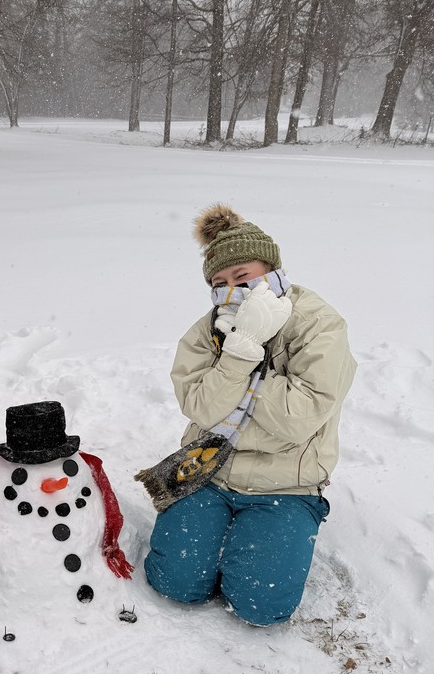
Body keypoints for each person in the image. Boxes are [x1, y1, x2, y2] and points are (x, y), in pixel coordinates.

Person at [140, 204, 356, 626]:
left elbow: (299, 417)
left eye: (243, 276)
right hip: (207, 471)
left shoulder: (319, 324)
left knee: (263, 607)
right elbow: (201, 407)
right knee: (174, 583)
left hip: (286, 485)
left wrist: (242, 368)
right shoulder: (208, 330)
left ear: (270, 269)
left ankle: (267, 540)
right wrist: (241, 350)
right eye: (219, 283)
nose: (232, 289)